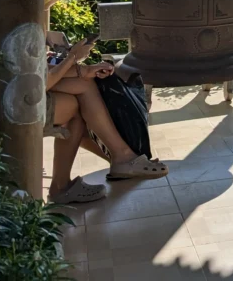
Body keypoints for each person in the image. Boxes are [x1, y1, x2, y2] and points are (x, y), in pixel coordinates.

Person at [45, 30, 168, 204]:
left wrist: (86, 70)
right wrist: (72, 58)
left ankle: (122, 157)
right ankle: (122, 158)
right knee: (75, 107)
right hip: (19, 100)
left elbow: (40, 71)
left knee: (84, 84)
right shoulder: (21, 23)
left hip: (26, 89)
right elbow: (38, 82)